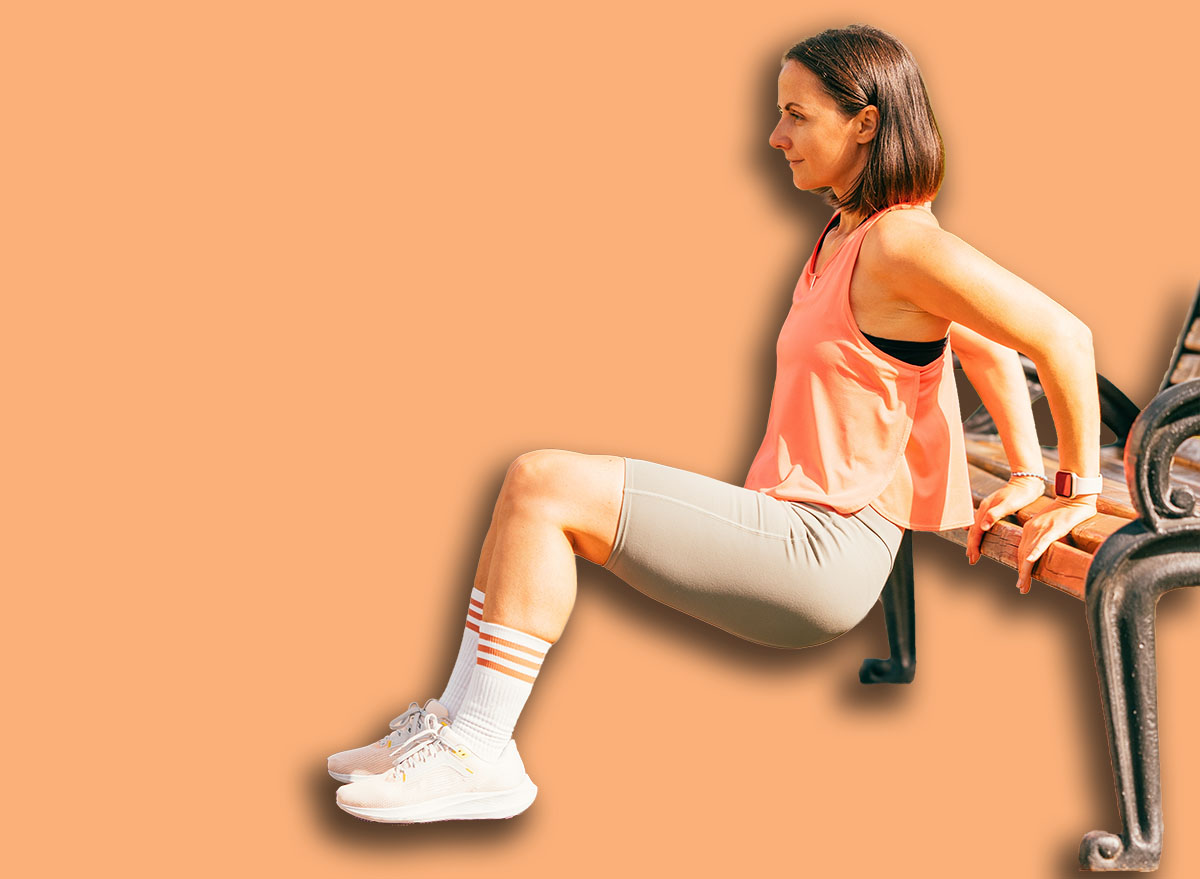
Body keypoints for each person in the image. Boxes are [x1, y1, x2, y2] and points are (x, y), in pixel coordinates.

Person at [326, 23, 1102, 824]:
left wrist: (1073, 487)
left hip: (822, 549)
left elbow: (1063, 338)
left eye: (797, 115)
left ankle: (480, 749)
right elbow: (976, 336)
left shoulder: (900, 239)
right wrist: (1025, 472)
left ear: (865, 122)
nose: (775, 136)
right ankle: (455, 726)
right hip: (804, 530)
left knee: (543, 482)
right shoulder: (856, 233)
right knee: (527, 489)